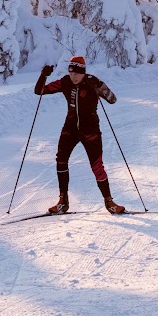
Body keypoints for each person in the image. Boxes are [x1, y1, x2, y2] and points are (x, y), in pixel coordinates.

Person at [34, 54, 125, 214]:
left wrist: (99, 87)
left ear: (83, 72)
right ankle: (63, 201)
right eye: (71, 73)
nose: (73, 76)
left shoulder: (92, 81)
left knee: (96, 166)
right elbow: (39, 91)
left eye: (76, 73)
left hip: (90, 130)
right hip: (70, 128)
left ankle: (109, 202)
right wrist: (43, 75)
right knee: (61, 160)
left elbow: (112, 99)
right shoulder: (65, 82)